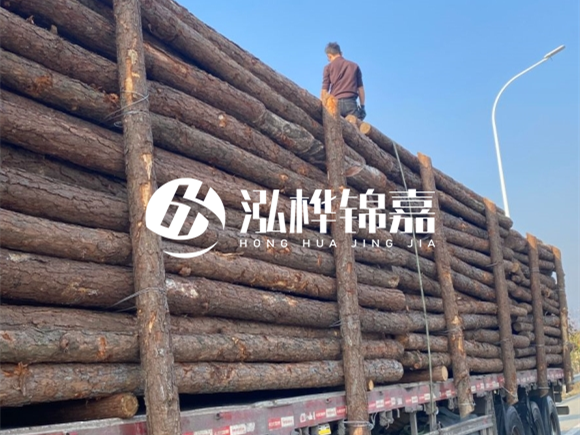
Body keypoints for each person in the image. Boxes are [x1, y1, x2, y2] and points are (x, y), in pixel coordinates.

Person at [321, 42, 366, 120]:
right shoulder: (354, 66)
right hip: (351, 104)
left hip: (334, 104)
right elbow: (360, 89)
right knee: (355, 126)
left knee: (333, 125)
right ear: (341, 53)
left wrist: (323, 106)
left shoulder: (328, 68)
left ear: (329, 56)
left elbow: (324, 91)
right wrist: (362, 107)